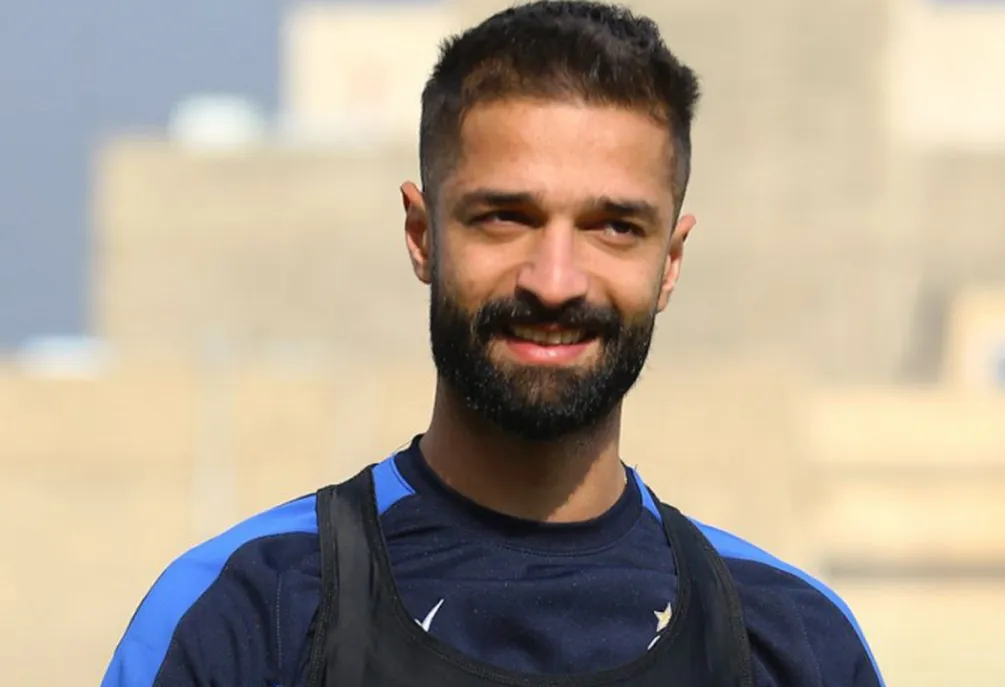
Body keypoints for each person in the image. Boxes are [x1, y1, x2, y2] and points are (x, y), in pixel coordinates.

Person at [102, 1, 885, 685]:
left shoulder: (789, 640)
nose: (555, 280)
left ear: (670, 263)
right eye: (506, 217)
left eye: (614, 227)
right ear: (422, 235)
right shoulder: (250, 610)